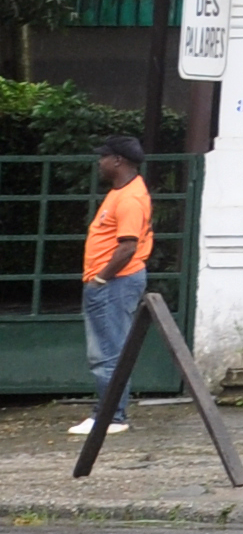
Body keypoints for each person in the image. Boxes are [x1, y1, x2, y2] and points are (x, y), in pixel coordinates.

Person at [83, 135, 154, 433]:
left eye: (104, 157)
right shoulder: (122, 192)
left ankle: (113, 417)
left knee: (109, 352)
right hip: (111, 283)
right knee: (107, 350)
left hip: (114, 283)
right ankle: (108, 413)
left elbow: (127, 246)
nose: (99, 162)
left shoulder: (129, 199)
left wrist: (101, 279)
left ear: (117, 161)